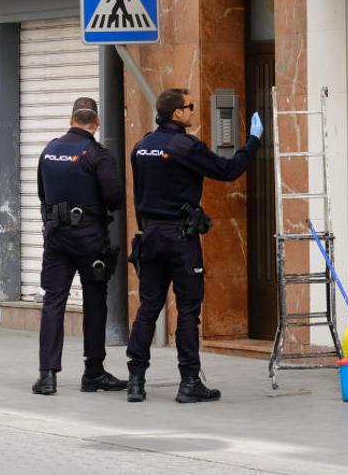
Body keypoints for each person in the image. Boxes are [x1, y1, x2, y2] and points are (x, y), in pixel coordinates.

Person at [126, 88, 264, 403]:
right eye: (190, 106)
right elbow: (228, 171)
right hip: (179, 239)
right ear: (177, 113)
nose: (192, 111)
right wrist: (254, 141)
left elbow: (139, 194)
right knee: (188, 311)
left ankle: (136, 381)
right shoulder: (184, 146)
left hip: (150, 237)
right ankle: (189, 382)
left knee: (148, 308)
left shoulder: (140, 146)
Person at [32, 97, 127, 396]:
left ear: (71, 119)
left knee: (53, 302)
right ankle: (94, 372)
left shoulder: (49, 151)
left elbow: (41, 193)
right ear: (96, 122)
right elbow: (114, 199)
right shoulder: (97, 154)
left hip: (56, 236)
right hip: (89, 237)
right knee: (95, 301)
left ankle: (47, 375)